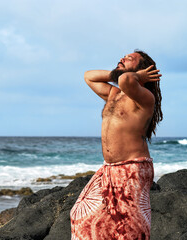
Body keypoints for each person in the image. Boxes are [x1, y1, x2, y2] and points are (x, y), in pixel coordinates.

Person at [70, 50, 162, 240]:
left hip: (132, 169)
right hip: (109, 169)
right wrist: (121, 73)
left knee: (129, 230)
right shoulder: (114, 94)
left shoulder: (144, 99)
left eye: (129, 59)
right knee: (81, 215)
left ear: (143, 70)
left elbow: (126, 81)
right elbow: (89, 76)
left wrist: (135, 77)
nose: (121, 59)